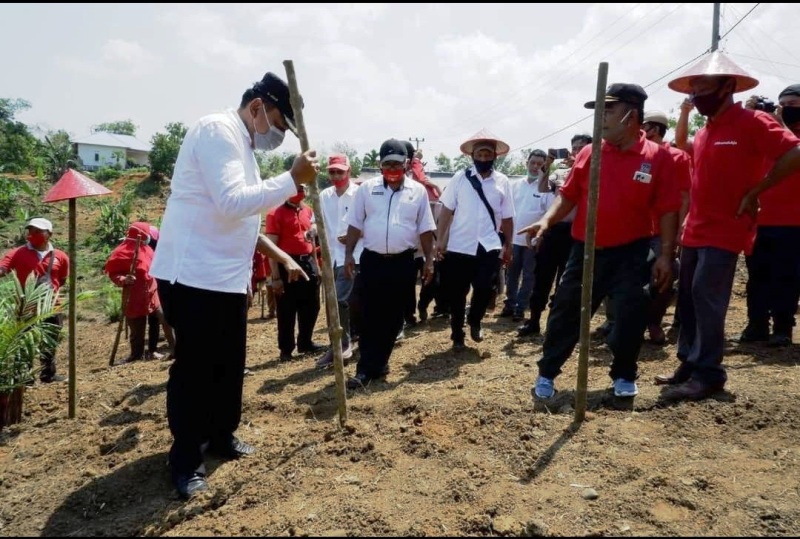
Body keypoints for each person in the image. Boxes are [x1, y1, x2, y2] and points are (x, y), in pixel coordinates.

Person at [148, 70, 319, 499]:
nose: (279, 135)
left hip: (224, 279)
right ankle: (185, 457)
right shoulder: (217, 131)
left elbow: (244, 213)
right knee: (195, 370)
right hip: (192, 276)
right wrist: (291, 179)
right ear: (258, 107)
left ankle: (221, 435)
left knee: (228, 365)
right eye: (280, 124)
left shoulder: (243, 146)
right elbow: (231, 203)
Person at [519, 83, 680, 400]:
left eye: (608, 111)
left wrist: (665, 255)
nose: (601, 118)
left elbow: (668, 210)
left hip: (632, 252)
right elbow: (568, 196)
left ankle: (623, 375)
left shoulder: (659, 159)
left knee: (630, 316)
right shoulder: (590, 153)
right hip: (587, 250)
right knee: (566, 312)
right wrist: (547, 220)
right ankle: (547, 374)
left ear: (631, 115)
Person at [656, 52, 800, 401]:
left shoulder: (752, 122)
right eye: (692, 90)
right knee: (689, 299)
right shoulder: (704, 132)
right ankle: (689, 364)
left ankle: (710, 373)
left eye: (702, 87)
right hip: (695, 229)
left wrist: (757, 190)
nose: (695, 96)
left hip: (727, 228)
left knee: (708, 296)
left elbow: (794, 151)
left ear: (727, 86)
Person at [343, 138, 436, 390]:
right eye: (387, 166)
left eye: (397, 165)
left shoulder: (417, 192)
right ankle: (366, 369)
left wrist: (429, 260)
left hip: (402, 263)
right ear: (380, 165)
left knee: (394, 317)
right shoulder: (366, 190)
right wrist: (349, 254)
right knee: (367, 313)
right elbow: (354, 224)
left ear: (406, 165)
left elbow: (426, 229)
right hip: (372, 261)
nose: (393, 170)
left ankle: (378, 362)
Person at [435, 129, 515, 349]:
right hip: (460, 245)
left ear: (494, 157)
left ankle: (475, 321)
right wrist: (440, 240)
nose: (483, 159)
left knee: (484, 287)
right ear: (472, 156)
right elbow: (446, 211)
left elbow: (507, 217)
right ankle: (456, 333)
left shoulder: (503, 182)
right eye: (479, 155)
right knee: (457, 292)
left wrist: (508, 244)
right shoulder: (459, 179)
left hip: (489, 245)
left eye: (487, 155)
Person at [739, 85, 800, 347]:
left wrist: (779, 124)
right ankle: (756, 325)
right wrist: (749, 117)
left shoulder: (784, 133)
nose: (786, 109)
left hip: (794, 222)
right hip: (760, 219)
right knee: (757, 277)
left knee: (787, 276)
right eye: (782, 104)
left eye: (793, 105)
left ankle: (783, 327)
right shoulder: (766, 134)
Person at [518, 134, 590, 337]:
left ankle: (557, 325)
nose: (576, 151)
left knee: (566, 283)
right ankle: (533, 320)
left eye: (581, 148)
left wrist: (579, 166)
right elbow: (542, 189)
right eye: (574, 147)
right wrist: (548, 163)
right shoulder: (560, 172)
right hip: (554, 229)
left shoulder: (595, 171)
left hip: (577, 232)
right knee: (542, 277)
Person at [641, 110, 692, 344]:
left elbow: (683, 196)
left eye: (645, 126)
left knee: (665, 274)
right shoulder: (637, 154)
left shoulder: (678, 157)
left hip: (663, 230)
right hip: (636, 227)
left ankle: (653, 321)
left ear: (656, 128)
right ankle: (622, 322)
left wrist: (680, 227)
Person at [0, 217, 69, 383]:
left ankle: (48, 375)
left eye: (38, 231)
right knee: (25, 343)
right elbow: (3, 267)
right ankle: (25, 377)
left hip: (52, 306)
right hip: (26, 306)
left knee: (49, 341)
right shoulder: (18, 253)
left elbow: (62, 279)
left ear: (49, 234)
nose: (32, 234)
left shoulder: (60, 256)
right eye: (30, 231)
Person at [265, 185, 324, 361]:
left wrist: (316, 266)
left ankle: (305, 342)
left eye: (303, 188)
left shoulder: (308, 211)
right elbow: (271, 248)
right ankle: (286, 349)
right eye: (296, 188)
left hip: (307, 262)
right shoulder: (275, 213)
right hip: (286, 264)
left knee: (312, 305)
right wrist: (275, 277)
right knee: (286, 308)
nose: (300, 191)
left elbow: (312, 241)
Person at [315, 154, 363, 368]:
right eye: (332, 171)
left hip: (355, 254)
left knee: (341, 299)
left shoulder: (359, 194)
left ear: (348, 172)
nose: (335, 176)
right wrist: (312, 231)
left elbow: (370, 221)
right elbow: (321, 223)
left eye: (340, 172)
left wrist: (356, 234)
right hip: (332, 256)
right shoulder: (324, 196)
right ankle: (344, 342)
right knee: (337, 301)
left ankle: (342, 344)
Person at [104, 221, 174, 362]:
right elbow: (113, 273)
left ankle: (173, 349)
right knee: (137, 327)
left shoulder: (147, 249)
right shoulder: (121, 252)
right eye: (146, 233)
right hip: (134, 295)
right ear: (140, 235)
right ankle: (136, 355)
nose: (149, 236)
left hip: (151, 293)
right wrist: (124, 279)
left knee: (164, 321)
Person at [500, 149, 550, 322]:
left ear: (544, 166)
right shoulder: (514, 185)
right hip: (513, 239)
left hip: (531, 241)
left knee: (529, 275)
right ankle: (509, 304)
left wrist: (539, 237)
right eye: (532, 163)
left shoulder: (546, 188)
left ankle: (520, 308)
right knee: (511, 274)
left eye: (539, 164)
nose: (535, 167)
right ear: (526, 163)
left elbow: (548, 215)